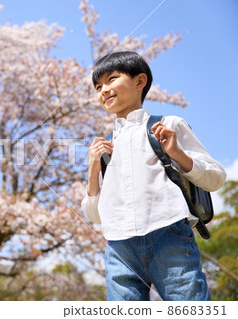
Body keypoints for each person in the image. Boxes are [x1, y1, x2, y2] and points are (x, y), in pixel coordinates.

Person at [81, 51, 226, 301]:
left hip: (168, 233)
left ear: (140, 81)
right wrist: (93, 172)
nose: (103, 90)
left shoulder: (168, 125)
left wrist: (178, 153)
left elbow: (215, 178)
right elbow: (95, 216)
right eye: (98, 86)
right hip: (119, 246)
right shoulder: (106, 146)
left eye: (112, 79)